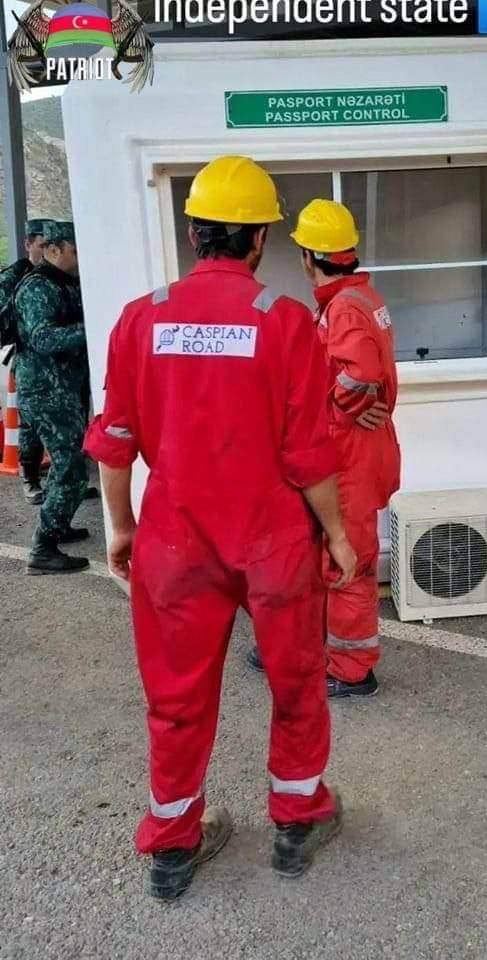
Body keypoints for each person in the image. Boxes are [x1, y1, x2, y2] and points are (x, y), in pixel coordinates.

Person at [83, 156, 356, 901]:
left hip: (174, 540)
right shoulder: (286, 320)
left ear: (195, 232)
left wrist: (122, 526)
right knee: (297, 679)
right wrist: (336, 534)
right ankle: (297, 822)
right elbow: (307, 455)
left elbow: (115, 439)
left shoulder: (141, 317)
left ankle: (173, 846)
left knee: (175, 696)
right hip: (272, 540)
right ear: (260, 239)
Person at [248, 199, 400, 698]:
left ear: (309, 257)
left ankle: (353, 671)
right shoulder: (356, 297)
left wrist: (336, 408)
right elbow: (357, 378)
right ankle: (314, 650)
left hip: (349, 457)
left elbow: (361, 376)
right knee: (325, 555)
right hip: (353, 452)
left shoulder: (344, 307)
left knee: (347, 562)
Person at [14, 221, 91, 574]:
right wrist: (93, 326)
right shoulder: (37, 288)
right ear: (54, 250)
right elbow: (43, 339)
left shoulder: (65, 283)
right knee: (71, 467)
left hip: (63, 389)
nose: (80, 257)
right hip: (45, 391)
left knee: (72, 462)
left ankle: (58, 525)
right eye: (76, 250)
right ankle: (43, 549)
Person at [0, 218, 54, 504]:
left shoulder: (59, 273)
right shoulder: (16, 275)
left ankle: (62, 482)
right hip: (32, 362)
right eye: (42, 245)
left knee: (67, 424)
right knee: (31, 423)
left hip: (63, 364)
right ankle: (30, 479)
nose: (47, 251)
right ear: (28, 244)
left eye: (52, 245)